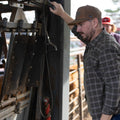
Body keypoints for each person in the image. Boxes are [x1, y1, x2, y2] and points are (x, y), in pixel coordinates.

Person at [49, 2, 120, 120]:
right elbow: (77, 32)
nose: (78, 29)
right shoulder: (94, 40)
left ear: (95, 23)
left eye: (81, 24)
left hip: (111, 116)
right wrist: (62, 13)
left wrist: (105, 118)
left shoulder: (106, 46)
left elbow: (115, 86)